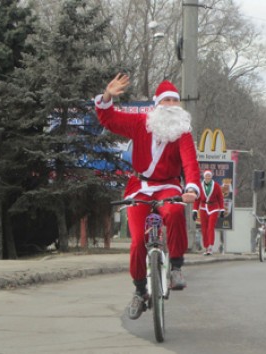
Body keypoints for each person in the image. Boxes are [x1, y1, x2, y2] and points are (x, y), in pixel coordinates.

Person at [95, 73, 200, 320]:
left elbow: (190, 163)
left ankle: (175, 266)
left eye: (176, 101)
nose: (172, 106)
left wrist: (192, 188)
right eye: (167, 101)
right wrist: (108, 95)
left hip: (169, 186)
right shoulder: (140, 123)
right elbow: (109, 119)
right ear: (157, 104)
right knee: (137, 242)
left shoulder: (183, 133)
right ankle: (140, 291)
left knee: (174, 212)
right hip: (139, 187)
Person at [192, 170, 225, 255]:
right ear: (204, 177)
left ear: (211, 177)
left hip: (213, 208)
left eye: (209, 176)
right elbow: (197, 199)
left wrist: (222, 209)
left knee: (211, 227)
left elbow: (220, 198)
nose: (207, 178)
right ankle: (206, 247)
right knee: (204, 228)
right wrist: (195, 210)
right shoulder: (200, 186)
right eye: (206, 176)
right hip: (203, 208)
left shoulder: (216, 186)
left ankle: (210, 246)